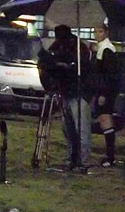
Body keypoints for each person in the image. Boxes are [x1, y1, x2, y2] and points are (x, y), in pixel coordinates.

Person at [47, 24, 93, 170]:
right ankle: (72, 158)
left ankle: (83, 161)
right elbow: (50, 58)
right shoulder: (58, 46)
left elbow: (82, 68)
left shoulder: (80, 49)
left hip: (79, 92)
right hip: (65, 91)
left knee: (82, 130)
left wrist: (66, 66)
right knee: (68, 129)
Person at [90, 24, 120, 167]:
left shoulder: (107, 50)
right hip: (103, 90)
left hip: (106, 91)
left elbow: (109, 75)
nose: (97, 34)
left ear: (106, 33)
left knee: (105, 119)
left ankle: (110, 156)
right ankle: (110, 155)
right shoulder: (102, 48)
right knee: (104, 120)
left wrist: (103, 93)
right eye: (95, 31)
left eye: (100, 31)